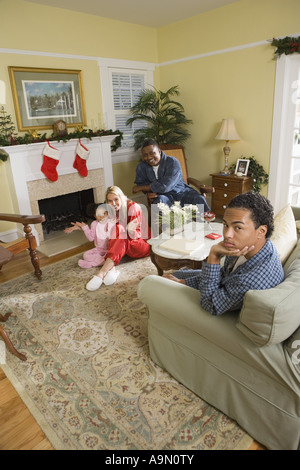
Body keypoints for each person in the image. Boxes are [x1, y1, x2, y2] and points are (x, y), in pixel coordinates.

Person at [163, 192, 284, 316]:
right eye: (226, 225)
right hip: (226, 284)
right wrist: (183, 282)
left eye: (238, 227)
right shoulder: (255, 247)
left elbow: (209, 304)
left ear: (261, 231)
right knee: (177, 274)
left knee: (164, 286)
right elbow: (223, 276)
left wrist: (214, 256)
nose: (227, 234)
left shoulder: (252, 280)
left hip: (217, 306)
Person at [85, 186, 151, 291]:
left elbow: (136, 235)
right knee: (117, 229)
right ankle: (111, 268)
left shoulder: (133, 207)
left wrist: (127, 229)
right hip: (124, 247)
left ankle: (101, 273)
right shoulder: (110, 211)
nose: (113, 204)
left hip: (141, 245)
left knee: (120, 230)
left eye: (116, 199)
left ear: (121, 197)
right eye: (110, 201)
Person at [132, 139, 210, 211]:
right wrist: (148, 193)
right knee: (159, 203)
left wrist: (141, 188)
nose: (148, 157)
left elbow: (165, 186)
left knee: (198, 199)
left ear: (159, 151)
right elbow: (141, 182)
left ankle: (205, 224)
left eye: (152, 153)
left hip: (181, 192)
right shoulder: (141, 166)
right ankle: (166, 226)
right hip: (163, 196)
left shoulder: (172, 162)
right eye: (145, 155)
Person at [64, 203, 116, 269]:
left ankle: (91, 264)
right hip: (98, 249)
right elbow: (91, 238)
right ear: (94, 215)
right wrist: (85, 228)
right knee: (85, 255)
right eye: (98, 215)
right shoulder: (94, 224)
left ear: (107, 213)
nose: (101, 216)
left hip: (109, 249)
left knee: (110, 256)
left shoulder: (111, 222)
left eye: (104, 214)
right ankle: (102, 260)